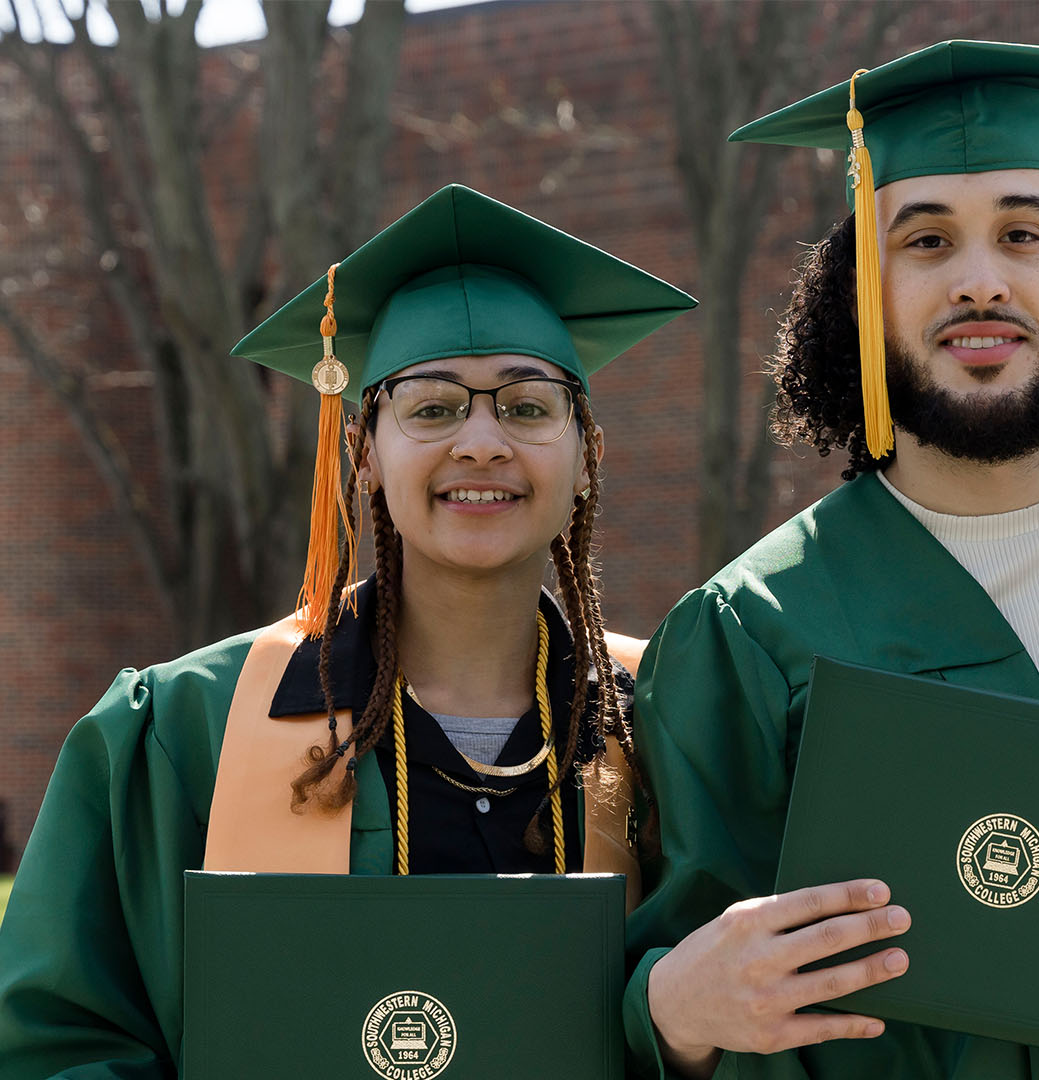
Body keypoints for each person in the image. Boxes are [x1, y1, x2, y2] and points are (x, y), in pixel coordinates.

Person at [624, 40, 1039, 1080]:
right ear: (863, 291)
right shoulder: (754, 633)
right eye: (924, 242)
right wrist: (671, 1017)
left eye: (1024, 233)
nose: (980, 282)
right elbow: (705, 1007)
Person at [0, 184, 696, 1078]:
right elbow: (60, 1043)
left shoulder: (669, 723)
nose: (482, 443)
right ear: (365, 452)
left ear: (587, 457)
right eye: (433, 406)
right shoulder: (185, 731)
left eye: (528, 406)